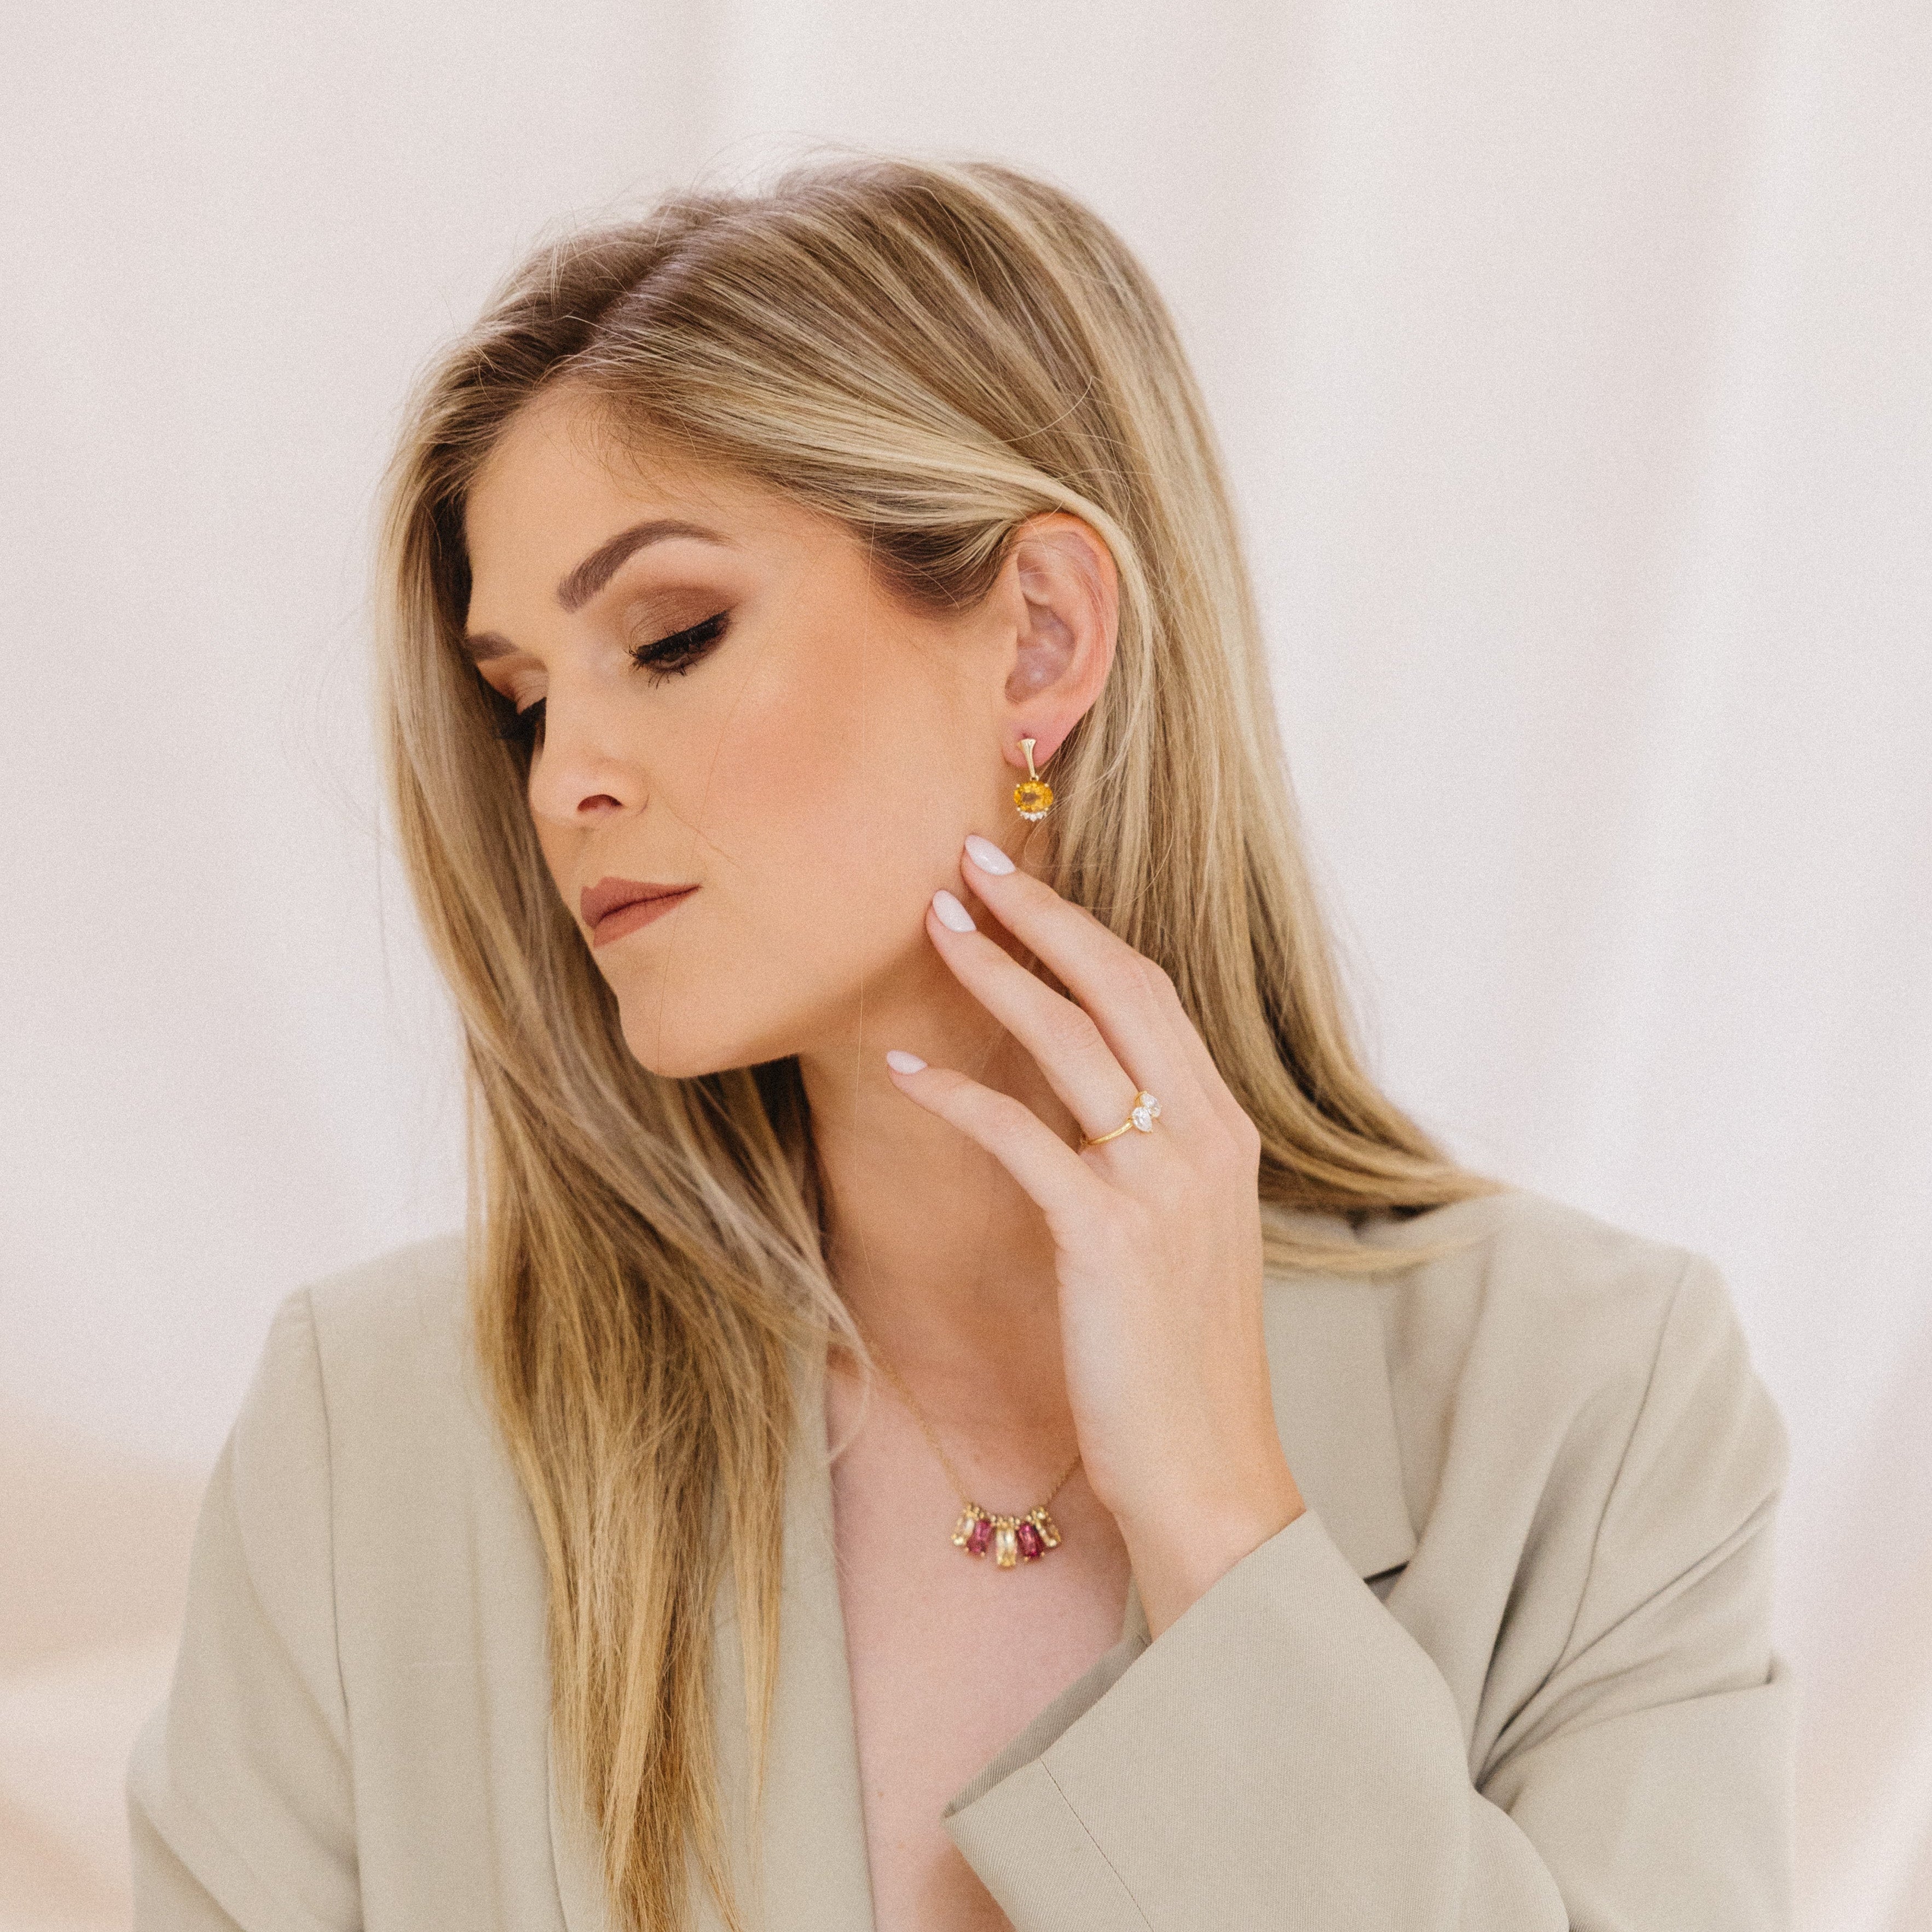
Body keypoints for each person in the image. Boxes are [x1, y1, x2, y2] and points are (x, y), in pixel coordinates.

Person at [127, 155, 1794, 1932]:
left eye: (671, 636)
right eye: (524, 699)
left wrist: (1226, 1530)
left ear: (1041, 642)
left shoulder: (1589, 1411)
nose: (562, 784)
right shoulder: (376, 1438)